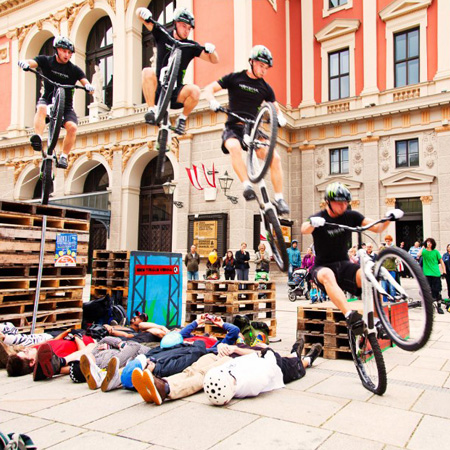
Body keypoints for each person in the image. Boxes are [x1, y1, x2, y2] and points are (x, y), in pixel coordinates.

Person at [300, 182, 403, 334]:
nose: (343, 206)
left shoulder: (351, 216)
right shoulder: (319, 217)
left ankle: (378, 321)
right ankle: (350, 316)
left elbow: (376, 227)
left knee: (370, 276)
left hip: (344, 265)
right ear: (328, 202)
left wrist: (388, 218)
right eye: (338, 202)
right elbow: (304, 229)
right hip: (323, 267)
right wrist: (312, 224)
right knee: (327, 274)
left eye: (345, 202)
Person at [204, 45, 289, 213]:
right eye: (261, 66)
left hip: (253, 128)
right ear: (251, 62)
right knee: (234, 147)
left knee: (276, 158)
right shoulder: (235, 78)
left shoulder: (265, 87)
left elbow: (273, 105)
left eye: (266, 68)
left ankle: (279, 199)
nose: (264, 71)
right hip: (234, 126)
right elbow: (209, 89)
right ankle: (247, 185)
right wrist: (212, 100)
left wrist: (279, 116)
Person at [132, 338, 323, 406]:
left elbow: (263, 355)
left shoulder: (278, 363)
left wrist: (236, 349)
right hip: (223, 356)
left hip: (233, 364)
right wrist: (226, 345)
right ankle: (160, 383)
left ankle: (165, 388)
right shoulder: (253, 346)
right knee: (194, 368)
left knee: (300, 363)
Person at [136, 6, 219, 135]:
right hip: (158, 89)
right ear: (175, 24)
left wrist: (212, 51)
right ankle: (152, 110)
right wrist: (142, 12)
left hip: (176, 93)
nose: (186, 31)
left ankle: (182, 119)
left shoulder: (191, 46)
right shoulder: (162, 34)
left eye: (189, 28)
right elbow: (140, 16)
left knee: (195, 91)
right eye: (183, 26)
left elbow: (215, 60)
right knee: (147, 71)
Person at [18, 36, 94, 169]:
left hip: (66, 107)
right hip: (48, 99)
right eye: (64, 51)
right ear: (57, 50)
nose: (67, 55)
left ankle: (64, 156)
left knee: (73, 127)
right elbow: (32, 62)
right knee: (41, 108)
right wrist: (25, 64)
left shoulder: (74, 70)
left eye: (69, 53)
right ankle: (38, 137)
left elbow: (85, 81)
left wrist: (89, 87)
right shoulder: (46, 61)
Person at [418, 238, 447, 314]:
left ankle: (439, 306)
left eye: (431, 243)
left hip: (436, 274)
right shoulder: (424, 252)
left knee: (437, 291)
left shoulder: (436, 252)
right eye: (428, 242)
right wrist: (423, 246)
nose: (429, 244)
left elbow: (441, 262)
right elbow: (418, 254)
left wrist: (444, 270)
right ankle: (429, 307)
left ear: (433, 244)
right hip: (427, 274)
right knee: (428, 291)